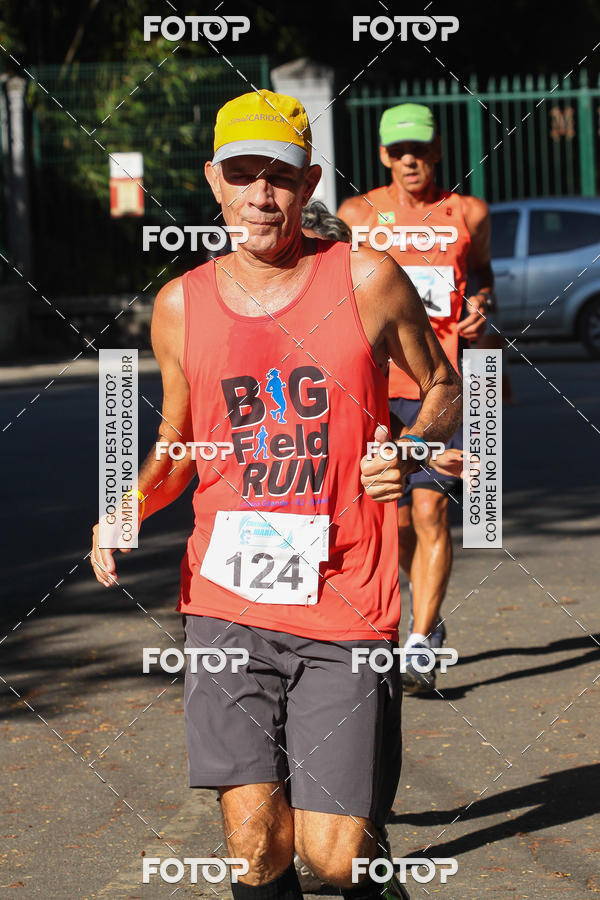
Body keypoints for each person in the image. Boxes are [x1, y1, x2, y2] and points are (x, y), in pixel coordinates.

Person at [91, 89, 462, 900]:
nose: (261, 193)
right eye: (242, 174)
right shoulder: (180, 304)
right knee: (256, 849)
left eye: (280, 176)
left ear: (309, 181)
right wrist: (127, 506)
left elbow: (443, 384)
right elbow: (179, 446)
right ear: (213, 181)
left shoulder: (367, 279)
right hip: (226, 600)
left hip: (345, 600)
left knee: (336, 861)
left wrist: (409, 445)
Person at [337, 103, 494, 694]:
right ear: (383, 156)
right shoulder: (358, 214)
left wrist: (482, 305)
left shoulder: (469, 213)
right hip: (378, 387)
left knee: (431, 511)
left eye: (420, 149)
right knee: (395, 518)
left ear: (436, 152)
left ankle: (422, 639)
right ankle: (425, 602)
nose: (410, 159)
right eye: (398, 150)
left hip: (443, 387)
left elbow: (482, 274)